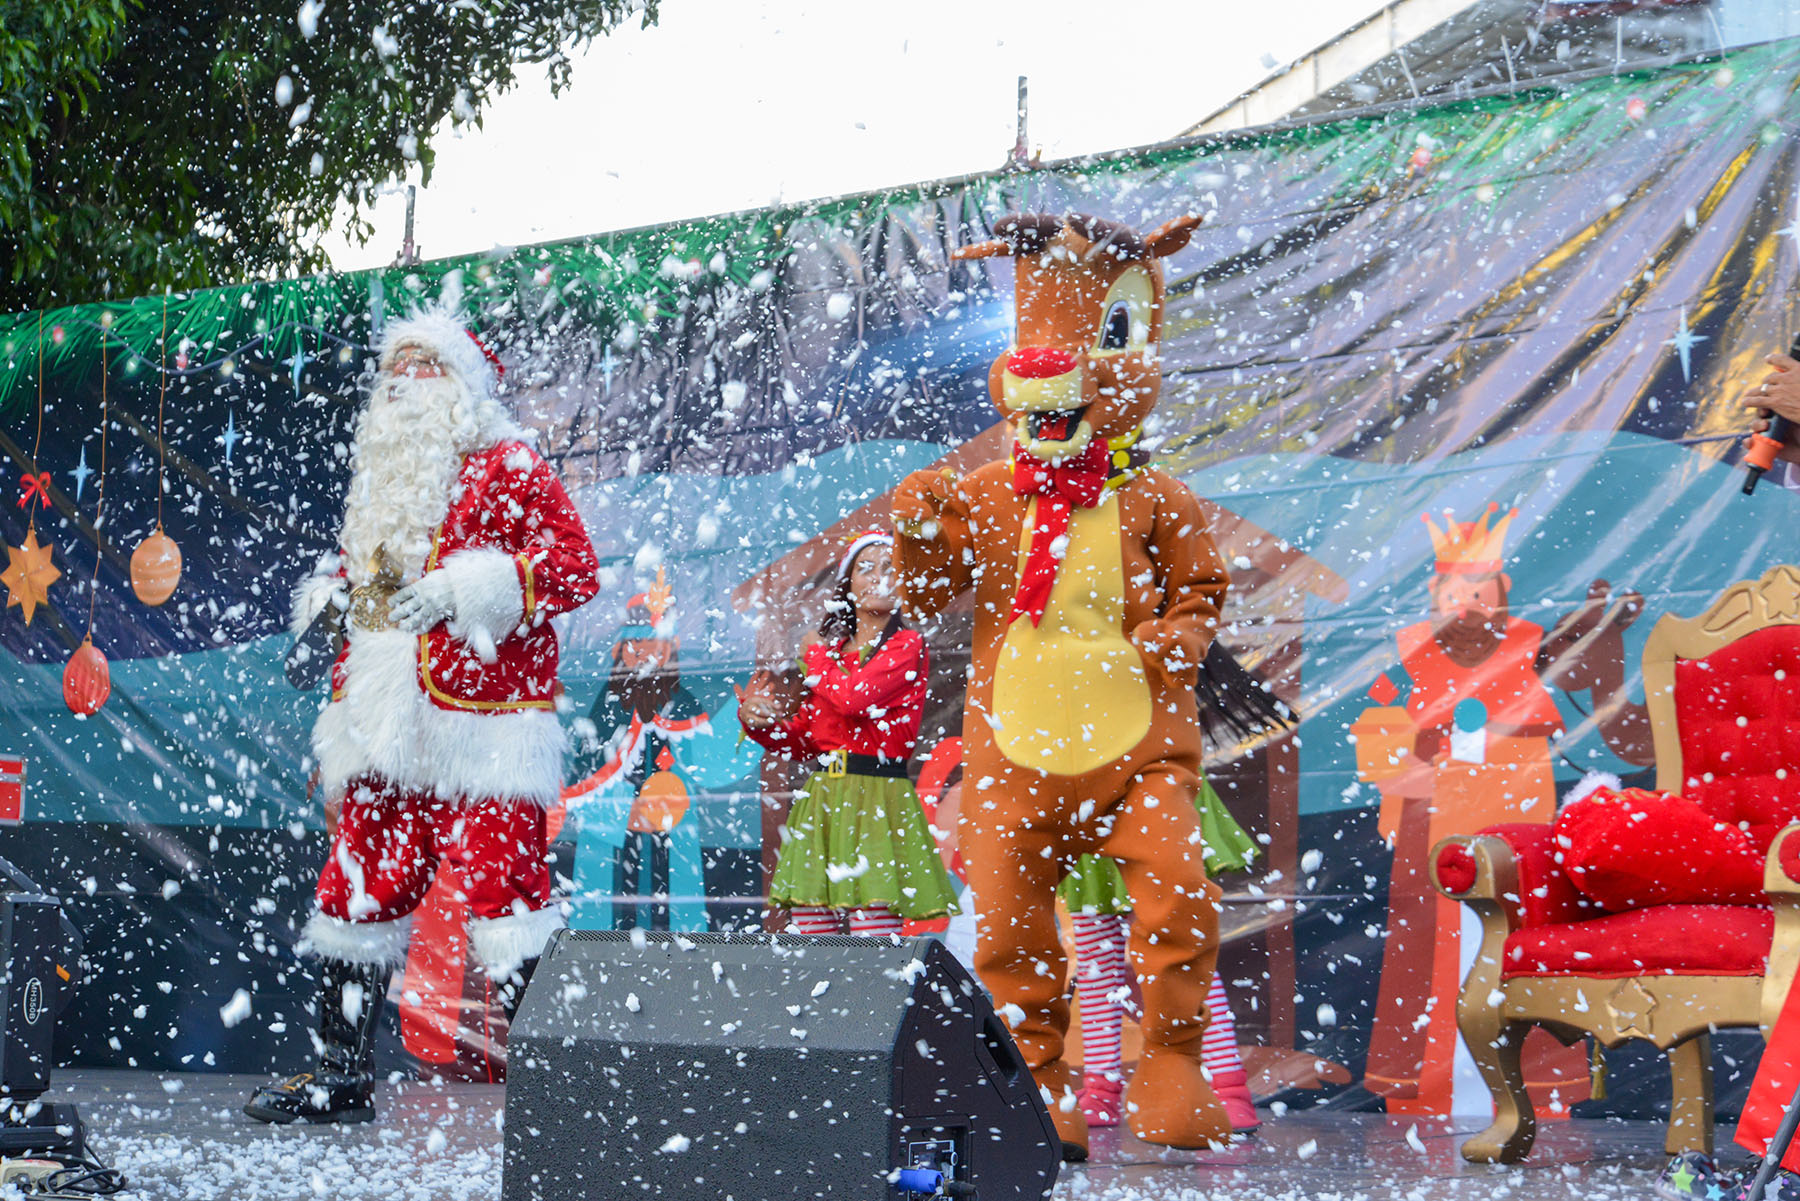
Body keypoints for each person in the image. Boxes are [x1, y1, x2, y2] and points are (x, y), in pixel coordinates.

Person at [245, 306, 600, 1124]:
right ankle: (341, 1073)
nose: (403, 382)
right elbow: (363, 603)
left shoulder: (510, 465)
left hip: (485, 730)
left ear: (462, 386)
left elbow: (574, 568)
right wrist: (334, 621)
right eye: (393, 369)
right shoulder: (381, 485)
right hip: (386, 733)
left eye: (424, 366)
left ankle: (555, 1095)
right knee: (357, 888)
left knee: (509, 899)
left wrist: (465, 590)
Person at [738, 529, 959, 936]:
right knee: (812, 929)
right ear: (848, 585)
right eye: (867, 568)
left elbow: (855, 698)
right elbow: (804, 741)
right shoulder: (833, 657)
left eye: (891, 567)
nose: (880, 576)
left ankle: (874, 983)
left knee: (872, 928)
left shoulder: (906, 645)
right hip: (824, 799)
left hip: (877, 800)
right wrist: (760, 723)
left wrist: (815, 655)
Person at [1059, 775, 1259, 1131]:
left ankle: (1228, 1089)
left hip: (1153, 788)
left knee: (1184, 953)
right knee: (1096, 959)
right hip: (1086, 790)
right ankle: (1101, 1089)